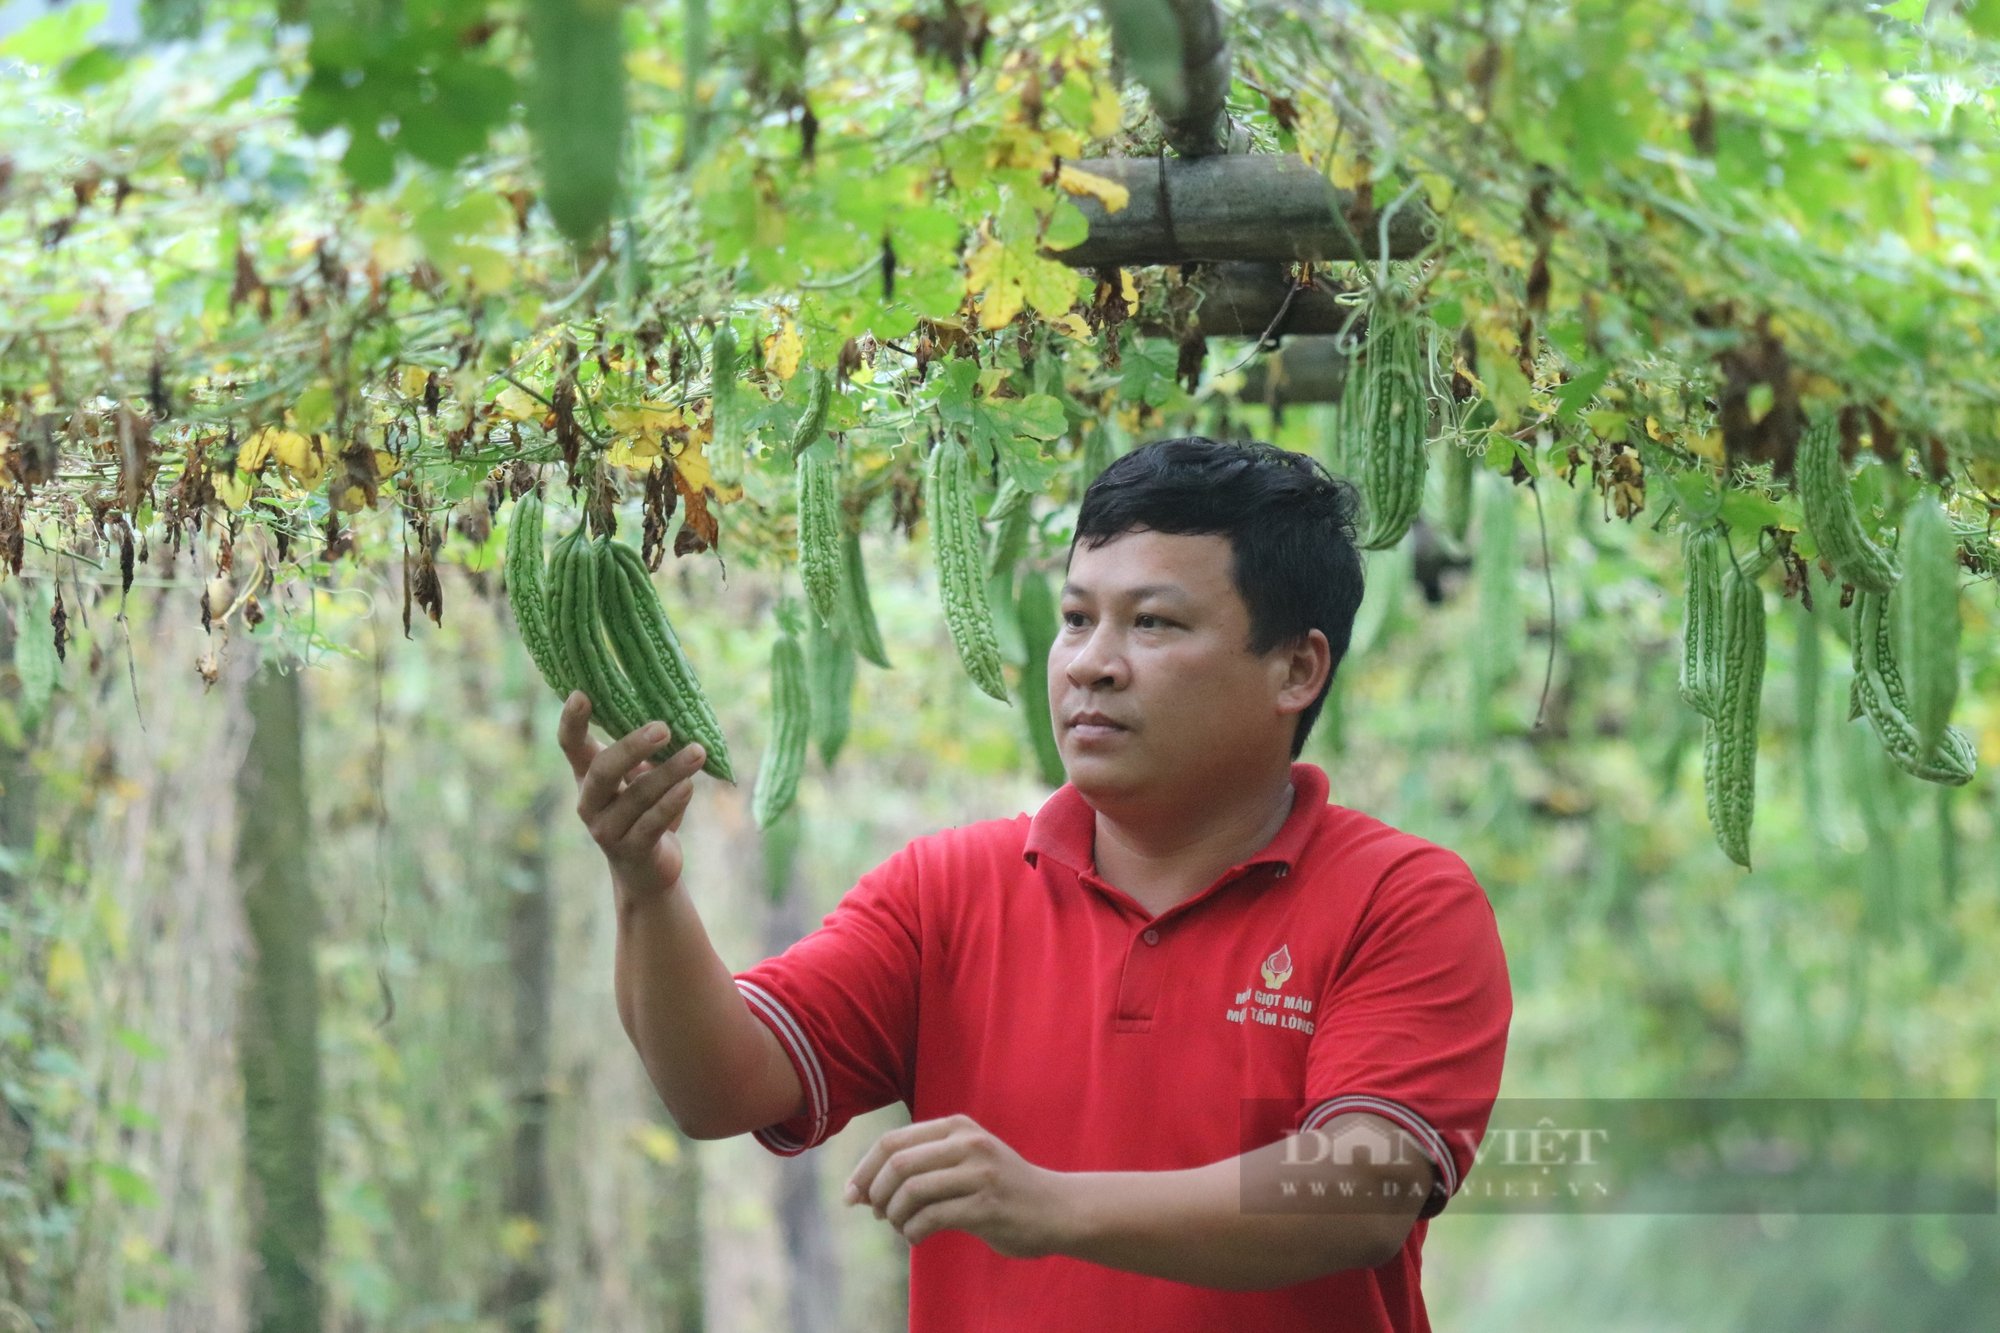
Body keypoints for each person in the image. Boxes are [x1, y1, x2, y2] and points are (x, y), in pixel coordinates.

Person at [558, 436, 1511, 1333]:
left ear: (1296, 668)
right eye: (1075, 619)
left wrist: (1049, 1201)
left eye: (1152, 622)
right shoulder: (946, 890)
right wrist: (646, 885)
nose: (1093, 662)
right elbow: (720, 1088)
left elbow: (1363, 1190)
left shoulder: (1402, 897)